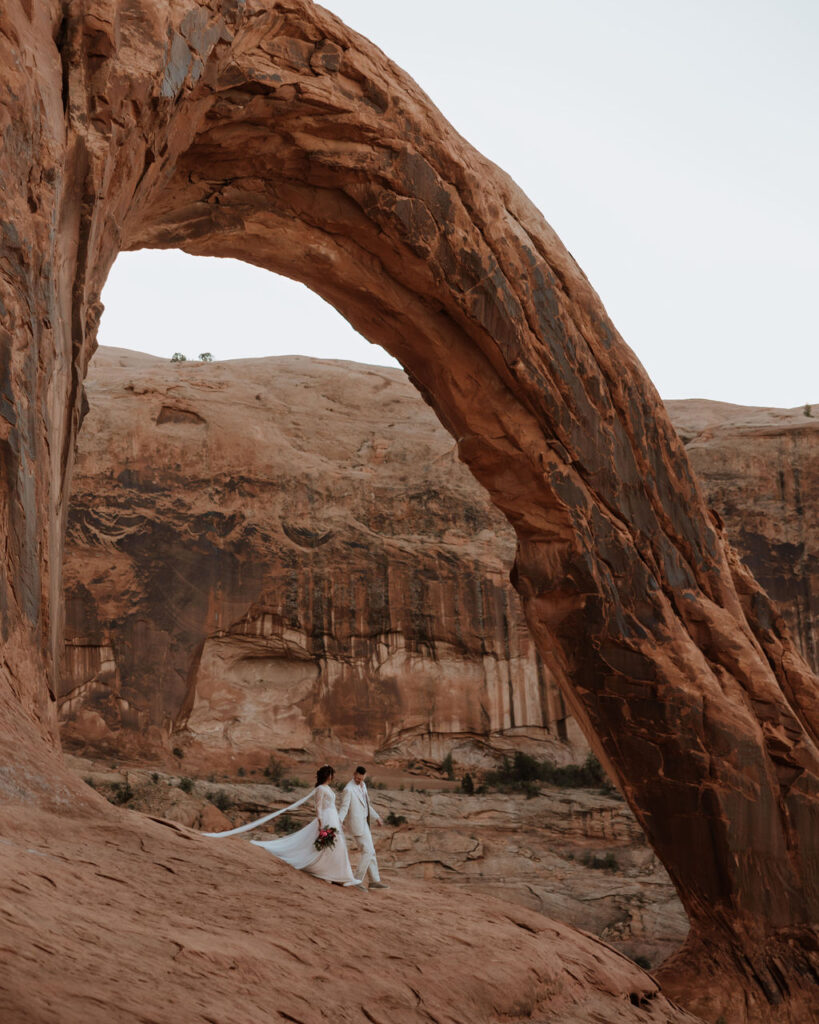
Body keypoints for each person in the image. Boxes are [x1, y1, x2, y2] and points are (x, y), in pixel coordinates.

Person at [204, 764, 364, 889]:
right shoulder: (320, 789)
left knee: (337, 846)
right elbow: (318, 806)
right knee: (328, 845)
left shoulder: (328, 788)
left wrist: (339, 821)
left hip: (333, 817)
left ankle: (340, 875)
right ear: (327, 775)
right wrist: (320, 821)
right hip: (326, 818)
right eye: (331, 774)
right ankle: (328, 873)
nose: (333, 776)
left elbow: (332, 805)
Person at [339, 765, 388, 889]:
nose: (359, 781)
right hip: (356, 825)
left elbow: (366, 805)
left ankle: (374, 881)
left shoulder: (363, 785)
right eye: (357, 779)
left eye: (361, 779)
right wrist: (339, 821)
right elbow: (344, 807)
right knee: (368, 851)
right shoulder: (348, 789)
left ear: (364, 776)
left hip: (365, 823)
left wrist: (376, 817)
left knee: (371, 851)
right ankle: (357, 880)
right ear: (354, 774)